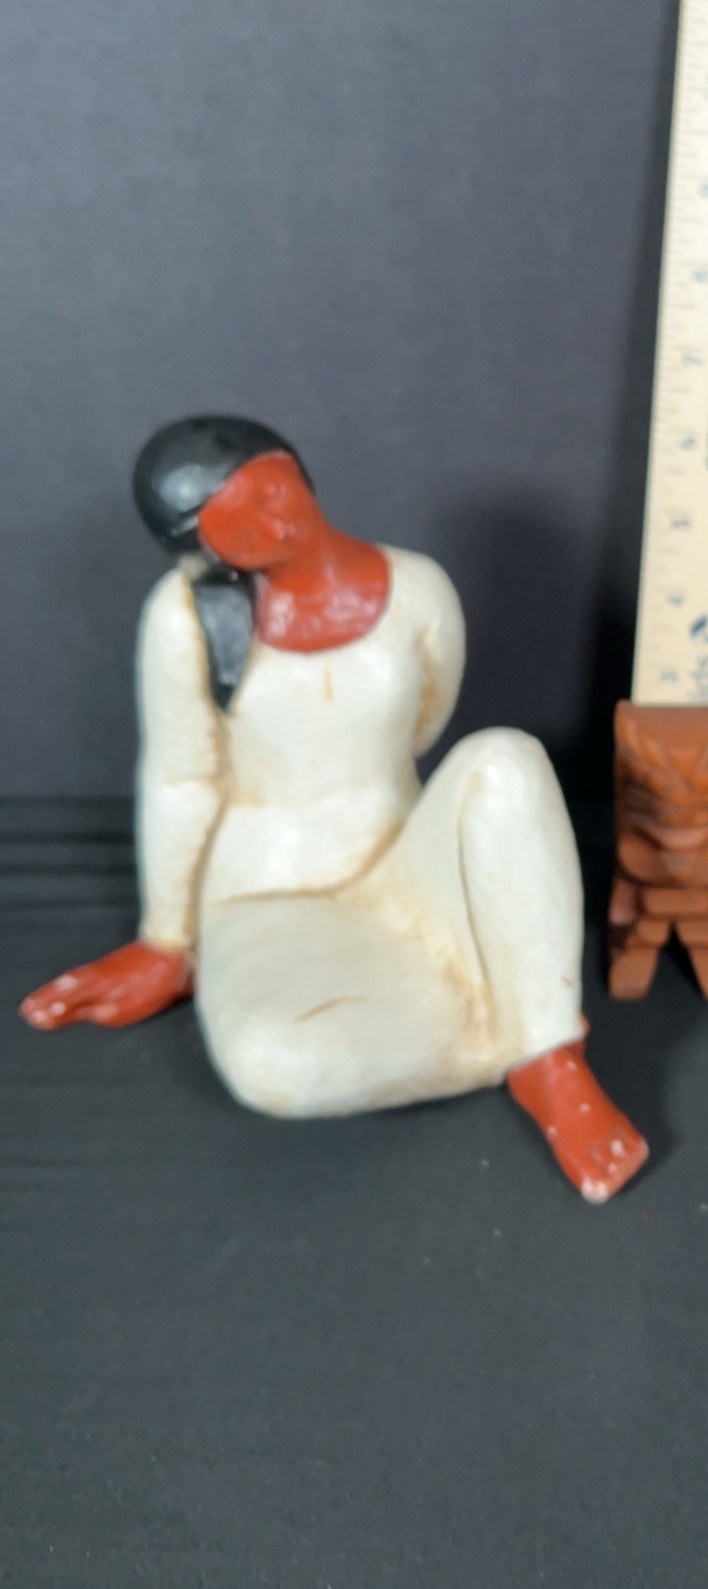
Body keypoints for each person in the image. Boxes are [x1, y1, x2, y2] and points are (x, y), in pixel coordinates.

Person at [21, 416, 648, 1203]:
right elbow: (182, 780)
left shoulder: (416, 589)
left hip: (403, 856)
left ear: (297, 469)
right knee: (273, 1066)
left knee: (507, 761)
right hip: (270, 892)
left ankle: (549, 1059)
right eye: (237, 528)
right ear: (203, 549)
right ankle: (507, 1022)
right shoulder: (183, 619)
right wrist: (167, 939)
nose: (274, 525)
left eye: (272, 493)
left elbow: (425, 722)